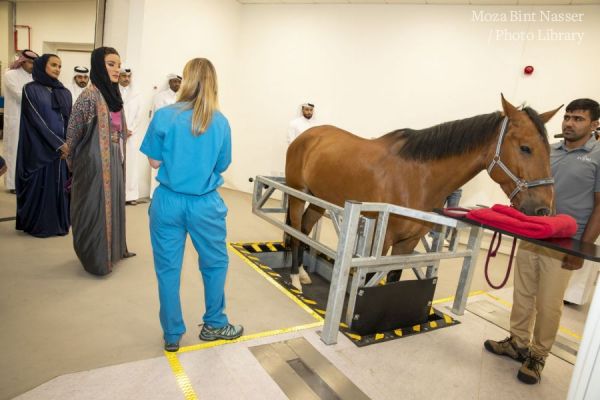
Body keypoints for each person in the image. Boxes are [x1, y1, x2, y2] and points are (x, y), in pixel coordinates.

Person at [484, 98, 600, 385]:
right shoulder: (550, 149)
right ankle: (517, 343)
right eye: (568, 117)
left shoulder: (598, 156)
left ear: (595, 124)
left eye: (579, 119)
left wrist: (582, 249)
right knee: (523, 294)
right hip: (535, 232)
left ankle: (538, 355)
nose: (570, 123)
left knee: (549, 304)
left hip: (566, 242)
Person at [140, 57, 242, 352]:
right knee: (215, 264)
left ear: (185, 80)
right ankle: (215, 323)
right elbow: (221, 166)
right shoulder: (221, 122)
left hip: (168, 202)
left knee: (168, 268)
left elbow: (155, 161)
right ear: (213, 84)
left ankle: (172, 334)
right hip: (204, 204)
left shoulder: (164, 116)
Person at [65, 47, 135, 276]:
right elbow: (73, 132)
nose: (117, 69)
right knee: (94, 208)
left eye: (118, 64)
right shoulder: (89, 96)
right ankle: (95, 259)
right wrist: (72, 163)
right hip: (94, 161)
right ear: (98, 66)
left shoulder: (113, 95)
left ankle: (112, 252)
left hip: (114, 156)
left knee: (113, 202)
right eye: (111, 64)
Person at [15, 54, 71, 237]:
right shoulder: (30, 90)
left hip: (62, 151)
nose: (57, 69)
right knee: (41, 187)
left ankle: (58, 224)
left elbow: (70, 120)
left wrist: (68, 144)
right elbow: (36, 120)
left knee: (59, 186)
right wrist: (58, 144)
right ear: (42, 66)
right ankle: (40, 225)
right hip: (39, 149)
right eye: (53, 65)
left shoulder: (64, 92)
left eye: (60, 66)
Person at [2, 49, 38, 193]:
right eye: (29, 62)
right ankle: (12, 184)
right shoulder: (10, 75)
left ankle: (25, 181)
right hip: (15, 119)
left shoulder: (35, 77)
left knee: (29, 152)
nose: (32, 65)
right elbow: (20, 96)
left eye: (34, 63)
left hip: (31, 120)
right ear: (22, 61)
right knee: (13, 151)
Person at [118, 65, 142, 205]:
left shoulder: (137, 94)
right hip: (115, 133)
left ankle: (131, 195)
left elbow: (139, 114)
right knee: (117, 163)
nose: (126, 79)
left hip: (131, 135)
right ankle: (118, 194)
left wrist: (130, 129)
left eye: (128, 76)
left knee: (131, 164)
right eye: (123, 76)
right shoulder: (113, 92)